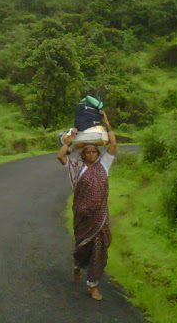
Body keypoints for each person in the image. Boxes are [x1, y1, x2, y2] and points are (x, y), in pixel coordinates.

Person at [57, 111, 117, 301]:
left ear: (97, 153)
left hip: (100, 217)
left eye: (94, 151)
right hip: (83, 215)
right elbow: (60, 156)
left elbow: (113, 144)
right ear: (82, 154)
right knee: (82, 247)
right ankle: (77, 264)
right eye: (87, 151)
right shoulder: (77, 166)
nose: (91, 154)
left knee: (99, 246)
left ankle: (93, 285)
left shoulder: (104, 165)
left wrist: (106, 124)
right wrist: (70, 140)